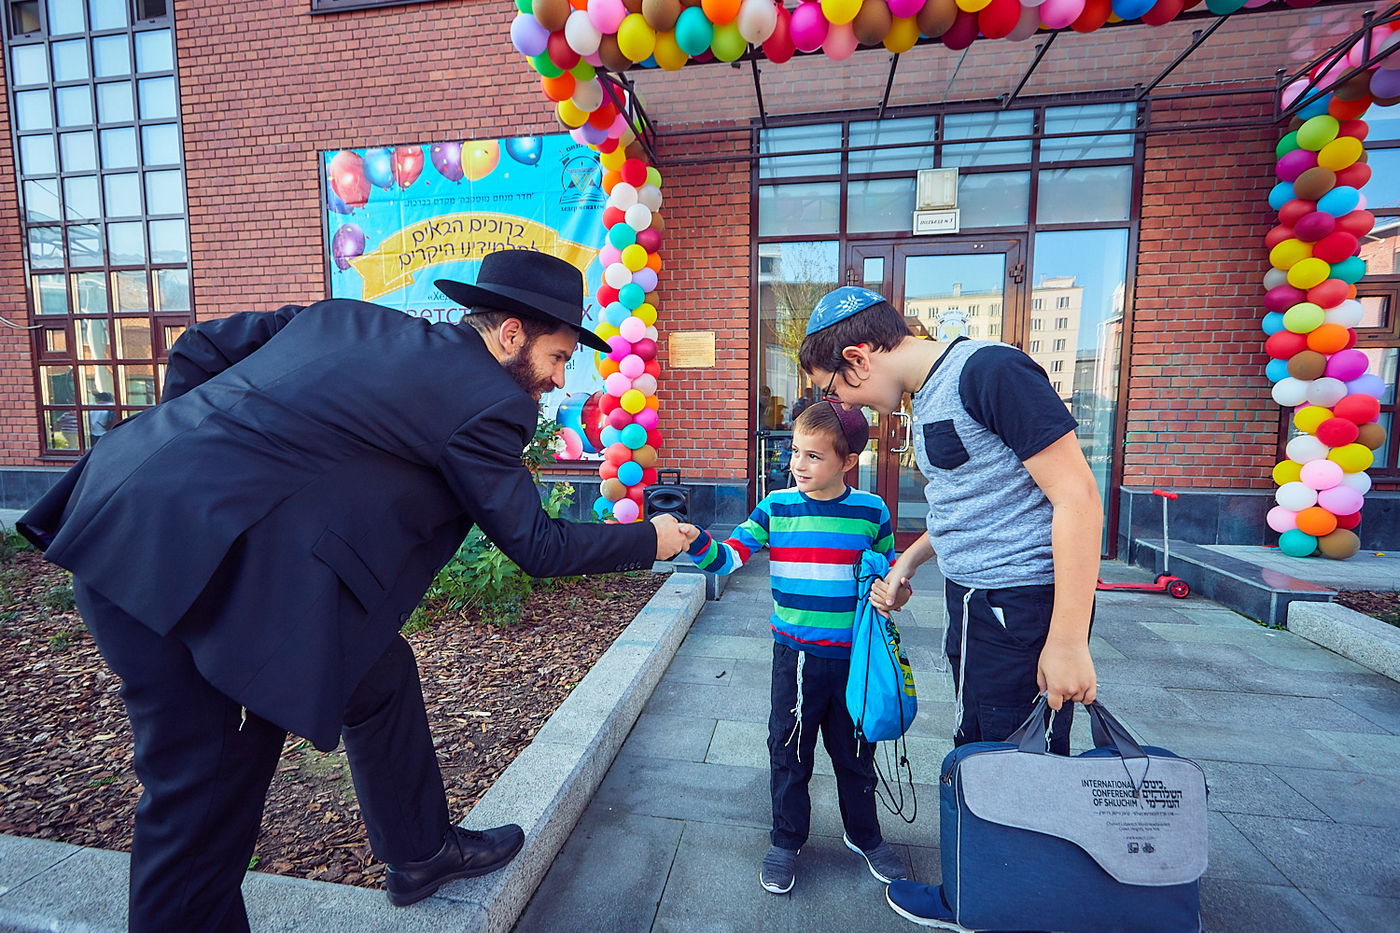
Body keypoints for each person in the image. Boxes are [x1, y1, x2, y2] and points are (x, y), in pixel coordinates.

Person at [18, 249, 692, 933]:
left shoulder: (341, 318)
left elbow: (200, 346)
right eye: (558, 356)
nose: (560, 377)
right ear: (511, 334)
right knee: (203, 791)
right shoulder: (489, 403)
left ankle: (420, 852)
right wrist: (651, 540)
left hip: (125, 509)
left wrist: (195, 464)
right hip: (186, 577)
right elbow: (537, 545)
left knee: (379, 669)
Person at [797, 286, 1102, 929]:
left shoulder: (991, 371)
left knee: (1009, 756)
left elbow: (1077, 496)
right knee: (983, 742)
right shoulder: (928, 395)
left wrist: (1069, 640)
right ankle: (986, 890)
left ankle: (1001, 906)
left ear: (857, 358)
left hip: (1018, 604)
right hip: (975, 600)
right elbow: (969, 503)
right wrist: (907, 563)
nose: (843, 404)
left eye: (835, 388)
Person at [680, 400, 908, 896]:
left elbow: (891, 574)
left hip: (856, 659)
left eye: (814, 456)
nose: (798, 465)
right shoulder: (776, 507)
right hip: (796, 658)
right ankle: (786, 839)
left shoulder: (872, 511)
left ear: (848, 461)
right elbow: (728, 558)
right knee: (789, 750)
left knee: (855, 752)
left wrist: (896, 592)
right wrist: (696, 540)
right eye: (795, 452)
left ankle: (864, 834)